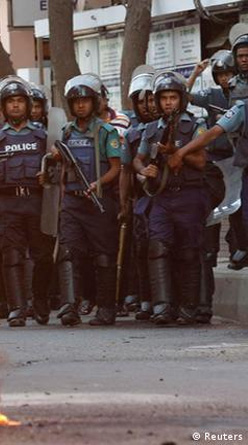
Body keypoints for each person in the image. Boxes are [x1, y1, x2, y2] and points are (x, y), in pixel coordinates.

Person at [132, 71, 209, 325]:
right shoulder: (152, 128)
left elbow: (200, 161)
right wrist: (144, 171)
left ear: (181, 99)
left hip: (189, 195)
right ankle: (162, 306)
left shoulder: (195, 125)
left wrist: (177, 152)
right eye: (163, 97)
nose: (168, 103)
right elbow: (138, 158)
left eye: (172, 97)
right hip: (162, 198)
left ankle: (188, 307)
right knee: (157, 248)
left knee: (188, 251)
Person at [51, 74, 122, 327]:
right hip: (73, 202)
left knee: (103, 256)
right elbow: (61, 168)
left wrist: (98, 184)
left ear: (94, 103)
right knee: (69, 253)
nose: (81, 106)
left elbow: (116, 167)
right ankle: (70, 306)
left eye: (85, 101)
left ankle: (105, 309)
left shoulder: (107, 131)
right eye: (76, 102)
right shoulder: (67, 132)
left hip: (99, 202)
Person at [0, 77, 54, 327]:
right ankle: (17, 308)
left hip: (36, 202)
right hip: (8, 204)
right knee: (11, 256)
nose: (15, 106)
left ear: (28, 105)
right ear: (3, 106)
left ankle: (41, 300)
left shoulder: (42, 136)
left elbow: (56, 169)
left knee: (42, 256)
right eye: (10, 102)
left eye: (19, 101)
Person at [187, 50, 244, 321]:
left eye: (228, 74)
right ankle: (214, 253)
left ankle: (237, 249)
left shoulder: (240, 96)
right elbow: (184, 98)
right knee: (213, 213)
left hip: (237, 159)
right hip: (213, 161)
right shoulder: (212, 97)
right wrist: (195, 74)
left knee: (238, 208)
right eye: (220, 74)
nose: (225, 80)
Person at [119, 68, 158, 321]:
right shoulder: (131, 133)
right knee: (140, 251)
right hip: (140, 200)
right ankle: (144, 298)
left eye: (151, 99)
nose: (147, 106)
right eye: (141, 101)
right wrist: (124, 204)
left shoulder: (169, 127)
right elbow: (125, 170)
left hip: (165, 196)